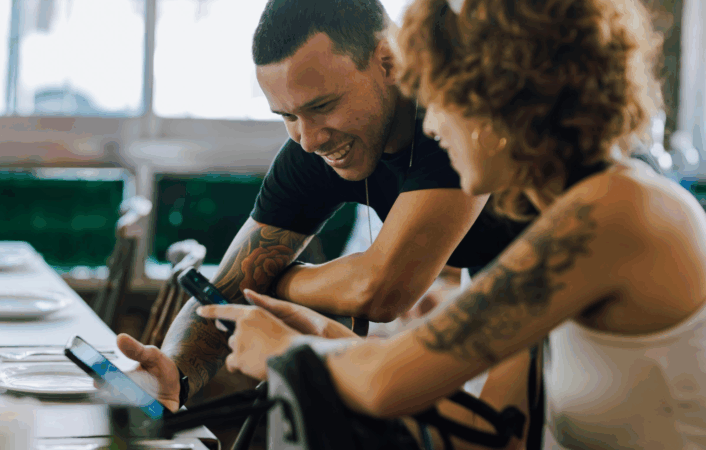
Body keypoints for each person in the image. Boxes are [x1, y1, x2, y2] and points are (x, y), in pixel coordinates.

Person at [197, 0, 706, 448]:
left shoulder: (618, 211)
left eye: (441, 98)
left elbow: (385, 384)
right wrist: (330, 343)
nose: (434, 126)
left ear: (505, 96)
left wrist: (292, 349)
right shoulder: (538, 232)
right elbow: (490, 432)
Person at [115, 0, 529, 413]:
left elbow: (381, 290)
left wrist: (271, 283)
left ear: (387, 61)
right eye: (287, 116)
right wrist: (172, 374)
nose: (309, 139)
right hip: (510, 300)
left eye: (322, 107)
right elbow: (222, 290)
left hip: (559, 293)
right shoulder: (310, 150)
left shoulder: (454, 115)